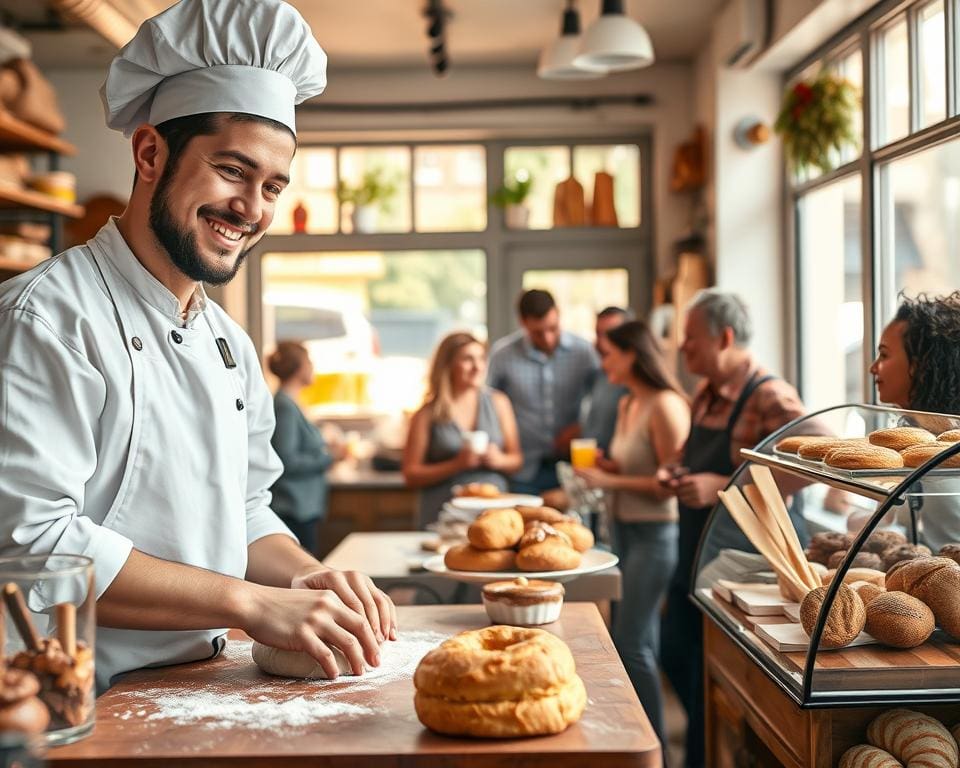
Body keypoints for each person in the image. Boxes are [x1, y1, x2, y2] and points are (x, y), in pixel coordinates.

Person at [0, 0, 396, 692]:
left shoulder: (229, 346)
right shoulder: (48, 318)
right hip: (65, 700)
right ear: (150, 152)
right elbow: (33, 547)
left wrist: (304, 573)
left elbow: (242, 513)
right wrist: (251, 601)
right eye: (233, 171)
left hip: (195, 685)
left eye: (272, 185)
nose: (253, 208)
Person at [659, 289, 808, 768]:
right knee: (676, 651)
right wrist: (676, 473)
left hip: (745, 562)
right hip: (698, 553)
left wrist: (723, 486)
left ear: (724, 337)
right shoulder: (705, 392)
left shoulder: (771, 395)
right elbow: (688, 454)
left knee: (715, 672)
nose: (683, 350)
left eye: (690, 340)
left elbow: (810, 465)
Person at [574, 320, 690, 750]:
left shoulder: (666, 405)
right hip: (622, 530)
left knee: (630, 642)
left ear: (631, 355)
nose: (602, 362)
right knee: (641, 642)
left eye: (608, 353)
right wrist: (609, 469)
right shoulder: (628, 404)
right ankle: (640, 738)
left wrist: (609, 483)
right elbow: (636, 469)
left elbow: (669, 485)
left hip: (656, 535)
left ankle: (649, 748)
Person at [403, 332, 523, 528]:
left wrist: (499, 460)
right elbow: (410, 475)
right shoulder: (426, 414)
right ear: (448, 365)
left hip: (493, 517)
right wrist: (457, 464)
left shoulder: (499, 403)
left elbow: (516, 459)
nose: (478, 367)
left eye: (481, 358)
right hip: (442, 517)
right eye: (468, 359)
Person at [870, 291, 960, 551]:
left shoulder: (951, 443)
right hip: (918, 579)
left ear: (922, 365)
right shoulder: (911, 435)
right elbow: (896, 522)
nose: (873, 367)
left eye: (884, 355)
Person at [487, 289, 599, 495]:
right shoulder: (502, 355)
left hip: (572, 468)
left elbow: (602, 398)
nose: (547, 339)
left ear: (558, 314)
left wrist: (582, 426)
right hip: (523, 471)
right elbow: (488, 407)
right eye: (538, 333)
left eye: (553, 328)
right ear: (523, 322)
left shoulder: (584, 353)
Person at [267, 342, 344, 555]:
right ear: (299, 367)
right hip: (293, 508)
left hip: (302, 507)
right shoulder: (285, 407)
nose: (313, 367)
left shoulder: (292, 403)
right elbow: (286, 460)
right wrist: (330, 457)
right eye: (309, 362)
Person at [580, 306, 632, 453]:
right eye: (598, 334)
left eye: (610, 335)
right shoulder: (599, 375)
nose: (602, 343)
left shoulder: (634, 385)